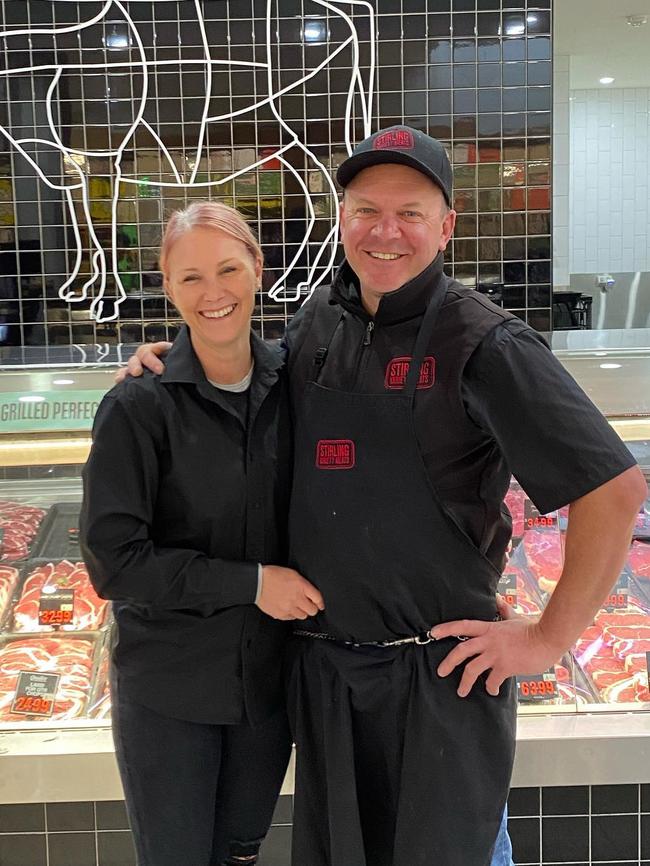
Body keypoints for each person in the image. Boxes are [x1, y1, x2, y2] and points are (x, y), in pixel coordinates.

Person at [121, 127, 647, 866]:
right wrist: (167, 362)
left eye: (411, 212)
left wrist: (546, 640)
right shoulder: (320, 321)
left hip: (437, 683)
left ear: (446, 226)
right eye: (366, 209)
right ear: (343, 219)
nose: (386, 231)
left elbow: (615, 488)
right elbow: (239, 380)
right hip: (328, 677)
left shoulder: (485, 342)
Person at [80, 201, 323, 866]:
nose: (213, 293)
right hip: (170, 692)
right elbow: (115, 564)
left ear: (257, 269)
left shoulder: (297, 386)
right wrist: (252, 584)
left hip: (266, 691)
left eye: (227, 269)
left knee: (241, 850)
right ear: (167, 286)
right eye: (190, 278)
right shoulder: (138, 404)